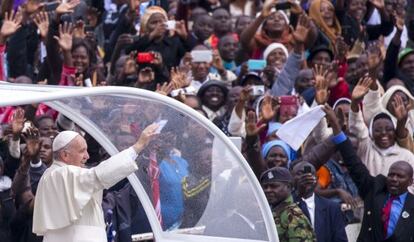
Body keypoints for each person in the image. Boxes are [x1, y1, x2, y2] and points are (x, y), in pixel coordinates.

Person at [32, 124, 158, 242]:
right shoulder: (61, 174)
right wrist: (138, 146)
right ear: (65, 155)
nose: (87, 156)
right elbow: (99, 175)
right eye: (82, 151)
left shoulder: (62, 174)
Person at [324, 105, 414, 242]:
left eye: (400, 176)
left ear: (410, 181)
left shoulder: (412, 204)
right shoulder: (374, 188)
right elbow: (352, 161)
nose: (394, 179)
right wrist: (336, 127)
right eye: (391, 175)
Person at [291, 160, 348, 242]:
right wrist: (298, 194)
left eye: (310, 174)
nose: (307, 178)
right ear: (292, 178)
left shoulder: (332, 208)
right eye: (300, 174)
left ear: (317, 179)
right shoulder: (285, 205)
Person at [260, 166, 316, 241]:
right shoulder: (274, 211)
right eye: (265, 187)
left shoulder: (293, 216)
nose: (268, 190)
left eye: (274, 186)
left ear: (288, 187)